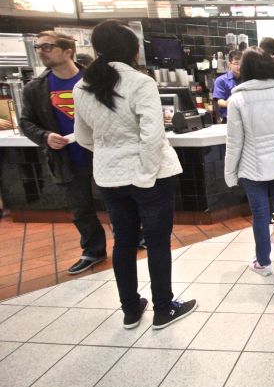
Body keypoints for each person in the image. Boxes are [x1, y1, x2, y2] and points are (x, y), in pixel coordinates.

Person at [73, 20, 197, 330]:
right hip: (151, 176)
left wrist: (110, 153)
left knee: (124, 243)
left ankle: (130, 309)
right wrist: (144, 174)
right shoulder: (141, 83)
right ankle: (164, 308)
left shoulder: (82, 86)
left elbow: (83, 137)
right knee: (157, 242)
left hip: (110, 177)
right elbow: (152, 135)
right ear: (134, 49)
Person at [20, 31, 107, 275]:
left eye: (47, 47)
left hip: (102, 152)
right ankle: (93, 250)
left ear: (67, 50)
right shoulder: (36, 89)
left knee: (120, 200)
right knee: (80, 208)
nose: (41, 51)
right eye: (38, 47)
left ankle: (134, 238)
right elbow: (26, 122)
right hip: (66, 158)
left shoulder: (96, 79)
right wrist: (45, 137)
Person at [224, 47, 274, 276]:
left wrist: (230, 173)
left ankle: (263, 263)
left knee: (260, 216)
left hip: (252, 168)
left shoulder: (237, 100)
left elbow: (234, 142)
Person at [212, 50, 242, 123]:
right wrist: (233, 103)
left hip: (246, 117)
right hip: (229, 119)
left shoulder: (248, 79)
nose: (239, 66)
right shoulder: (221, 80)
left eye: (242, 63)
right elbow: (219, 101)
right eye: (236, 63)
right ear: (229, 64)